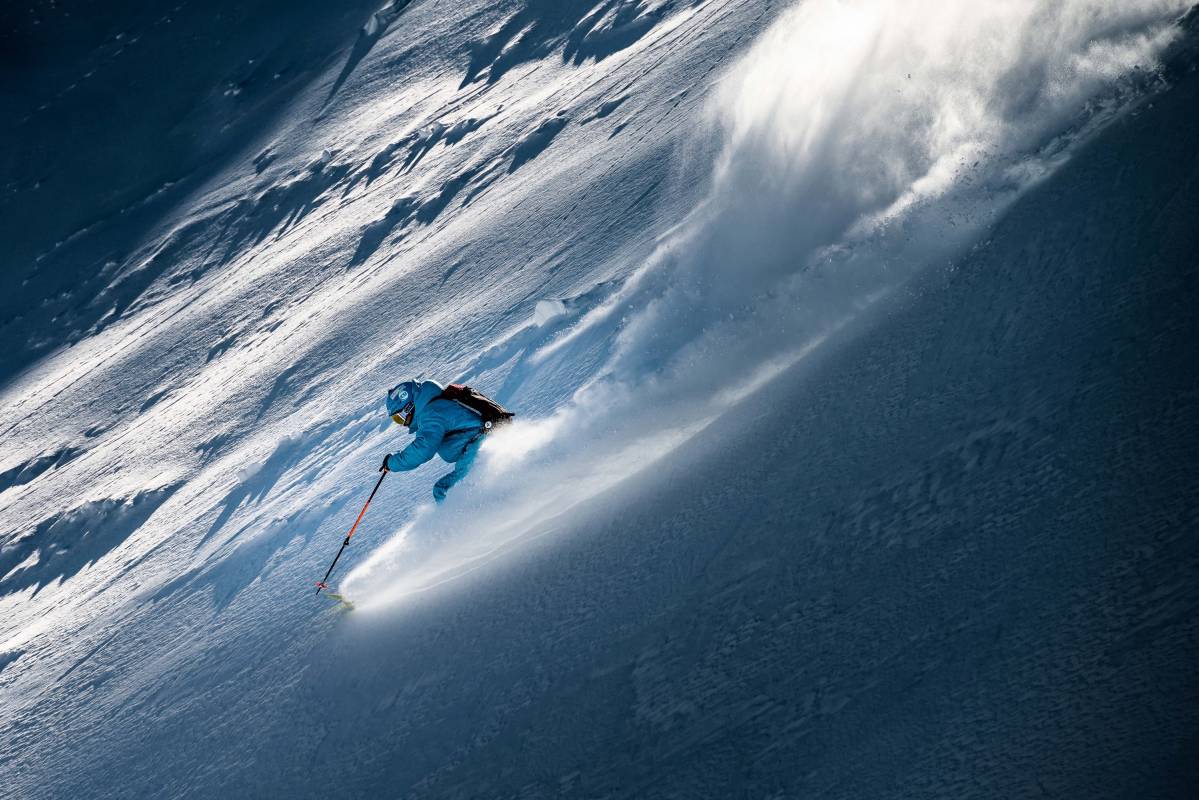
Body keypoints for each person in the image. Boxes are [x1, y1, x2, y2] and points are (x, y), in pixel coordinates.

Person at [381, 379, 502, 502]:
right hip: (478, 442)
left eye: (399, 418)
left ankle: (473, 516)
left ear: (409, 407)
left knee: (444, 491)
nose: (402, 423)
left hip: (480, 443)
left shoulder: (431, 413)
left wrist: (392, 463)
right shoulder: (433, 408)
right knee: (445, 489)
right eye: (396, 420)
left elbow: (423, 449)